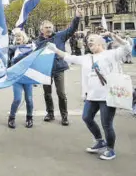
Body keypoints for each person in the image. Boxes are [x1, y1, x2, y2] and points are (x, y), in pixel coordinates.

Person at [47, 32, 132, 160]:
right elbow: (69, 57)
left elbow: (127, 48)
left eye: (92, 40)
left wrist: (114, 36)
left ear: (100, 42)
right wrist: (55, 49)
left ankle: (110, 149)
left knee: (106, 124)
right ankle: (99, 141)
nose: (89, 42)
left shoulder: (111, 54)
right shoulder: (86, 58)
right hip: (92, 96)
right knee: (86, 117)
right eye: (88, 41)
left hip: (107, 97)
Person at [36, 8, 82, 125]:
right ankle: (50, 114)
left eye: (50, 27)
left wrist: (77, 17)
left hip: (59, 69)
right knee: (47, 93)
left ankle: (64, 116)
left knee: (61, 93)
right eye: (46, 27)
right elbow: (34, 57)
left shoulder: (60, 36)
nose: (49, 29)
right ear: (42, 30)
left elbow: (72, 29)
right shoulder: (38, 42)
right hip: (46, 71)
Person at [7, 30, 35, 129]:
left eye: (20, 36)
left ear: (24, 38)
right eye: (17, 37)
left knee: (29, 99)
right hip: (16, 77)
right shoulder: (11, 49)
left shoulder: (30, 49)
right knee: (17, 99)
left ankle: (29, 118)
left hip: (27, 77)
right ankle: (11, 117)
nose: (18, 38)